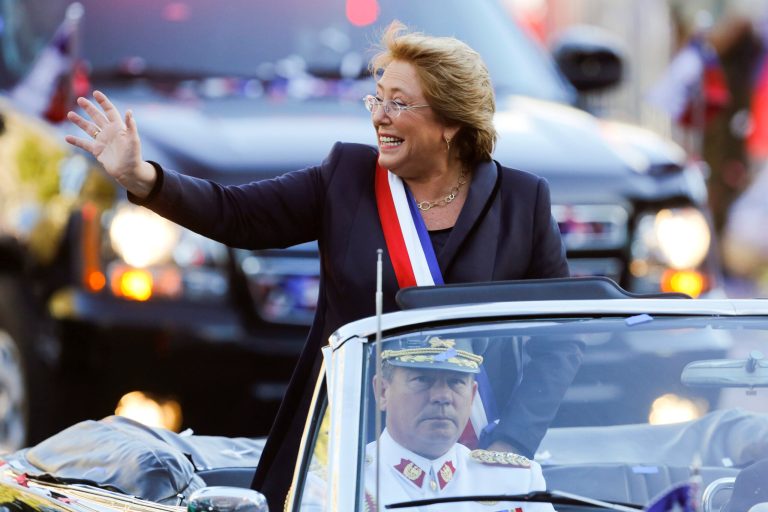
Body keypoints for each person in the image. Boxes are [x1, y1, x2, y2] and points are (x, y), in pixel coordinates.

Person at [64, 21, 568, 510]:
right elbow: (236, 214)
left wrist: (512, 443)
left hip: (465, 456)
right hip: (341, 453)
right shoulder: (346, 178)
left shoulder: (521, 202)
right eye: (378, 98)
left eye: (398, 102)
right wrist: (144, 177)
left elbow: (562, 337)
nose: (379, 116)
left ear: (451, 123)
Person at [365, 336, 555, 511]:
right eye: (422, 379)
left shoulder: (518, 482)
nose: (443, 396)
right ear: (382, 391)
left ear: (472, 395)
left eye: (456, 382)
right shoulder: (347, 481)